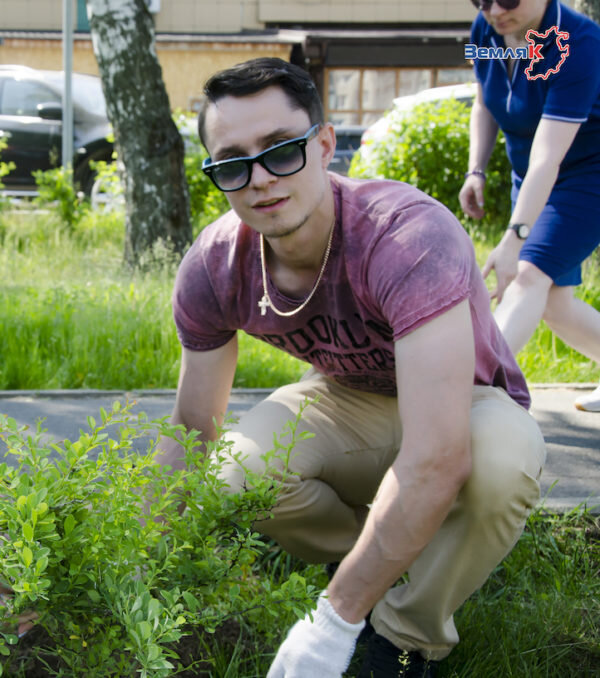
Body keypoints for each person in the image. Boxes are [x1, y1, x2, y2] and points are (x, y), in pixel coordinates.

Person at [160, 57, 547, 678]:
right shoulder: (215, 264)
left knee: (500, 466)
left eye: (281, 149)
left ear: (323, 145)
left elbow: (437, 455)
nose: (260, 179)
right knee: (236, 472)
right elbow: (191, 431)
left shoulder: (405, 236)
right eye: (233, 163)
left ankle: (404, 637)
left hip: (467, 401)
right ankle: (381, 559)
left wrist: (330, 622)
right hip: (346, 396)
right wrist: (129, 562)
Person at [459, 0, 600, 411]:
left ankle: (468, 393)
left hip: (587, 174)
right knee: (554, 305)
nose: (494, 10)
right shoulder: (487, 29)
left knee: (526, 275)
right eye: (481, 0)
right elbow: (484, 102)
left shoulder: (580, 43)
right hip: (530, 175)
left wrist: (514, 238)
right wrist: (476, 170)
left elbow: (548, 156)